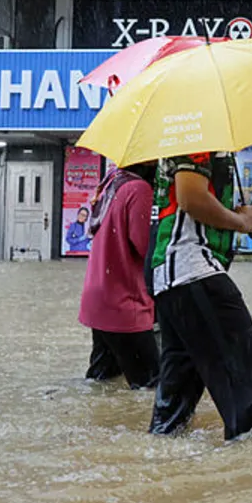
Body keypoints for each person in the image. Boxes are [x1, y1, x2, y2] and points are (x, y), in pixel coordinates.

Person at [147, 152, 252, 442]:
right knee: (250, 376)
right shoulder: (196, 131)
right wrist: (242, 223)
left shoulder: (194, 133)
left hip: (173, 276)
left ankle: (162, 466)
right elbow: (191, 198)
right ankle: (247, 478)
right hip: (193, 268)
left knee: (177, 399)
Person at [78, 163, 160, 390]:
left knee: (101, 382)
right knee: (150, 385)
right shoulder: (139, 189)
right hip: (125, 305)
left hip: (99, 299)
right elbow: (145, 248)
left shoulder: (112, 182)